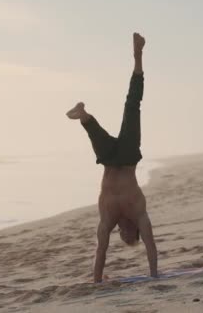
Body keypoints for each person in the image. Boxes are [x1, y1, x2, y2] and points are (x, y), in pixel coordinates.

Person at [66, 32, 157, 283]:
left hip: (108, 159)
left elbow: (101, 250)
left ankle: (83, 115)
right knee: (132, 105)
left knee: (93, 131)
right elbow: (150, 245)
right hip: (127, 156)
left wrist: (97, 280)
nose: (124, 235)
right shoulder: (139, 212)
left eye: (123, 238)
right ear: (134, 231)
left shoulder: (108, 218)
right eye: (130, 238)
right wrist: (154, 275)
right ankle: (138, 55)